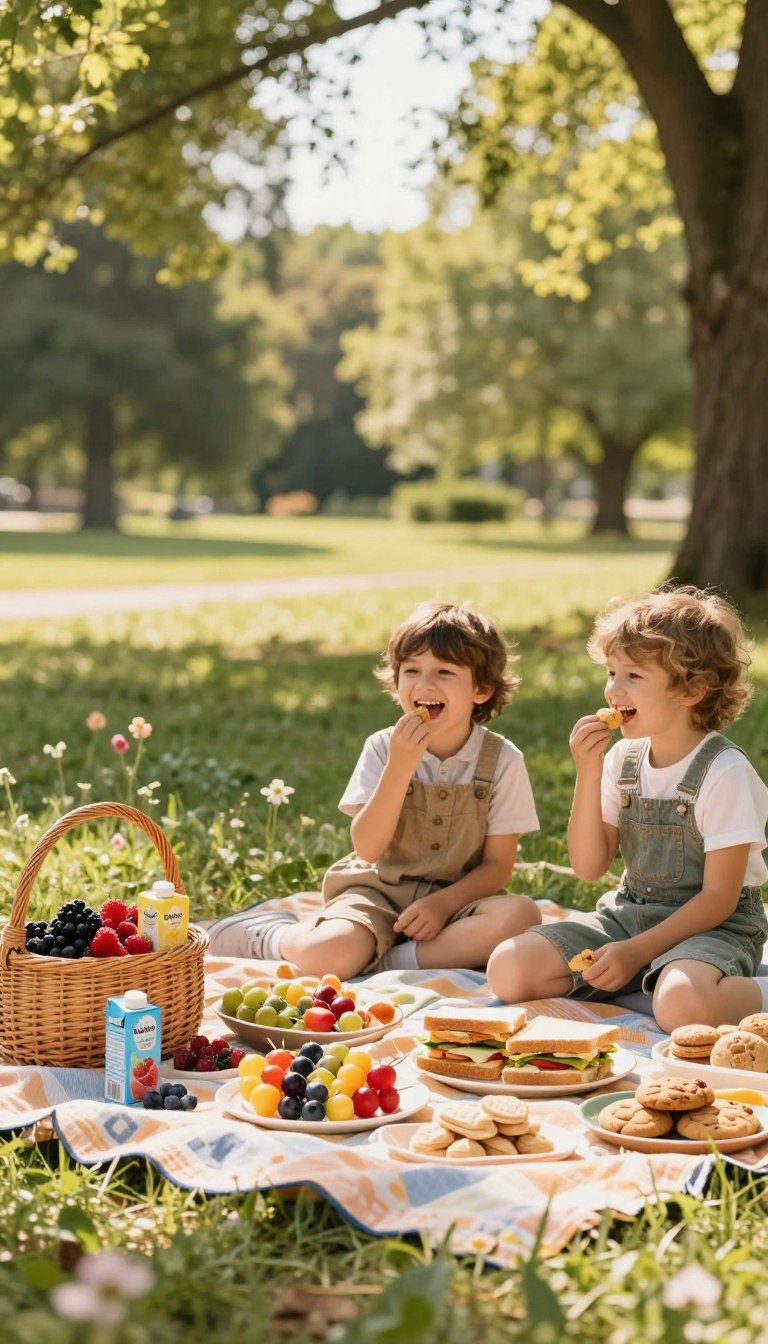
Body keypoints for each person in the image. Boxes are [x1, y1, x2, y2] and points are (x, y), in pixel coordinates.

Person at [208, 600, 542, 976]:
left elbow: (498, 866)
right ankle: (270, 936)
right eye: (411, 670)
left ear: (481, 690)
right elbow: (367, 847)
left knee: (522, 915)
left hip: (458, 902)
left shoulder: (503, 760)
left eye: (444, 672)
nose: (424, 684)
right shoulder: (384, 748)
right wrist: (400, 766)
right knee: (326, 954)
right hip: (377, 892)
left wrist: (443, 905)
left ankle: (387, 961)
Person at [487, 585, 768, 1032]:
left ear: (692, 689)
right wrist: (589, 771)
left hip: (714, 928)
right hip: (631, 914)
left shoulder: (724, 772)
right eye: (612, 672)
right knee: (508, 968)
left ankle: (723, 990)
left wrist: (636, 952)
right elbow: (588, 865)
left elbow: (719, 899)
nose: (613, 690)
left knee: (683, 1009)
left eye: (633, 676)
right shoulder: (624, 759)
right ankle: (651, 983)